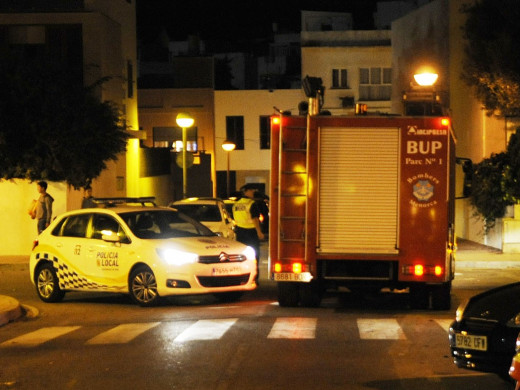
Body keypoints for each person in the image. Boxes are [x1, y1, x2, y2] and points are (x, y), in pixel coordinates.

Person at [232, 184, 265, 284]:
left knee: (242, 257)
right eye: (251, 191)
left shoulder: (236, 205)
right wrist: (259, 232)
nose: (253, 193)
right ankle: (254, 278)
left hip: (240, 233)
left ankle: (241, 277)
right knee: (254, 255)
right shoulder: (251, 203)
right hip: (251, 233)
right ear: (246, 192)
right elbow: (255, 219)